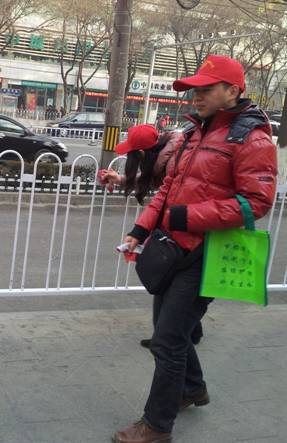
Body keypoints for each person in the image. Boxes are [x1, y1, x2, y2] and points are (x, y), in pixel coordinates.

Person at [112, 54, 277, 443]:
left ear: (233, 91)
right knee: (169, 331)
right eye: (193, 90)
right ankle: (191, 388)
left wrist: (187, 217)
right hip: (172, 247)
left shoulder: (252, 139)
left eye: (205, 89)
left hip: (206, 254)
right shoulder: (193, 133)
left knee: (167, 341)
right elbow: (168, 188)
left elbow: (256, 202)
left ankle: (157, 426)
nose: (196, 97)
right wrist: (140, 229)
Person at [99, 124, 205, 349]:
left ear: (140, 153)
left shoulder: (173, 157)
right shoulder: (164, 155)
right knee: (169, 286)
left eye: (131, 154)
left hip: (186, 233)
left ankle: (168, 337)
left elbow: (163, 196)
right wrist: (121, 180)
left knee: (166, 285)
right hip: (176, 229)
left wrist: (143, 230)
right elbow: (154, 185)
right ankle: (184, 333)